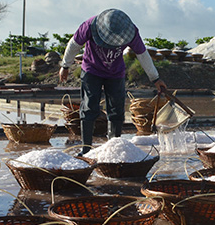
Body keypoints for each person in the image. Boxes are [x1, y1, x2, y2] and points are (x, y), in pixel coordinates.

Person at [59, 8, 167, 154]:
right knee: (89, 107)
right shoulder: (89, 26)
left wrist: (156, 78)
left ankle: (113, 149)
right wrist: (65, 66)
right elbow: (74, 45)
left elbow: (142, 55)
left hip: (115, 73)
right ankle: (86, 149)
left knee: (116, 110)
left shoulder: (131, 32)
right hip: (92, 70)